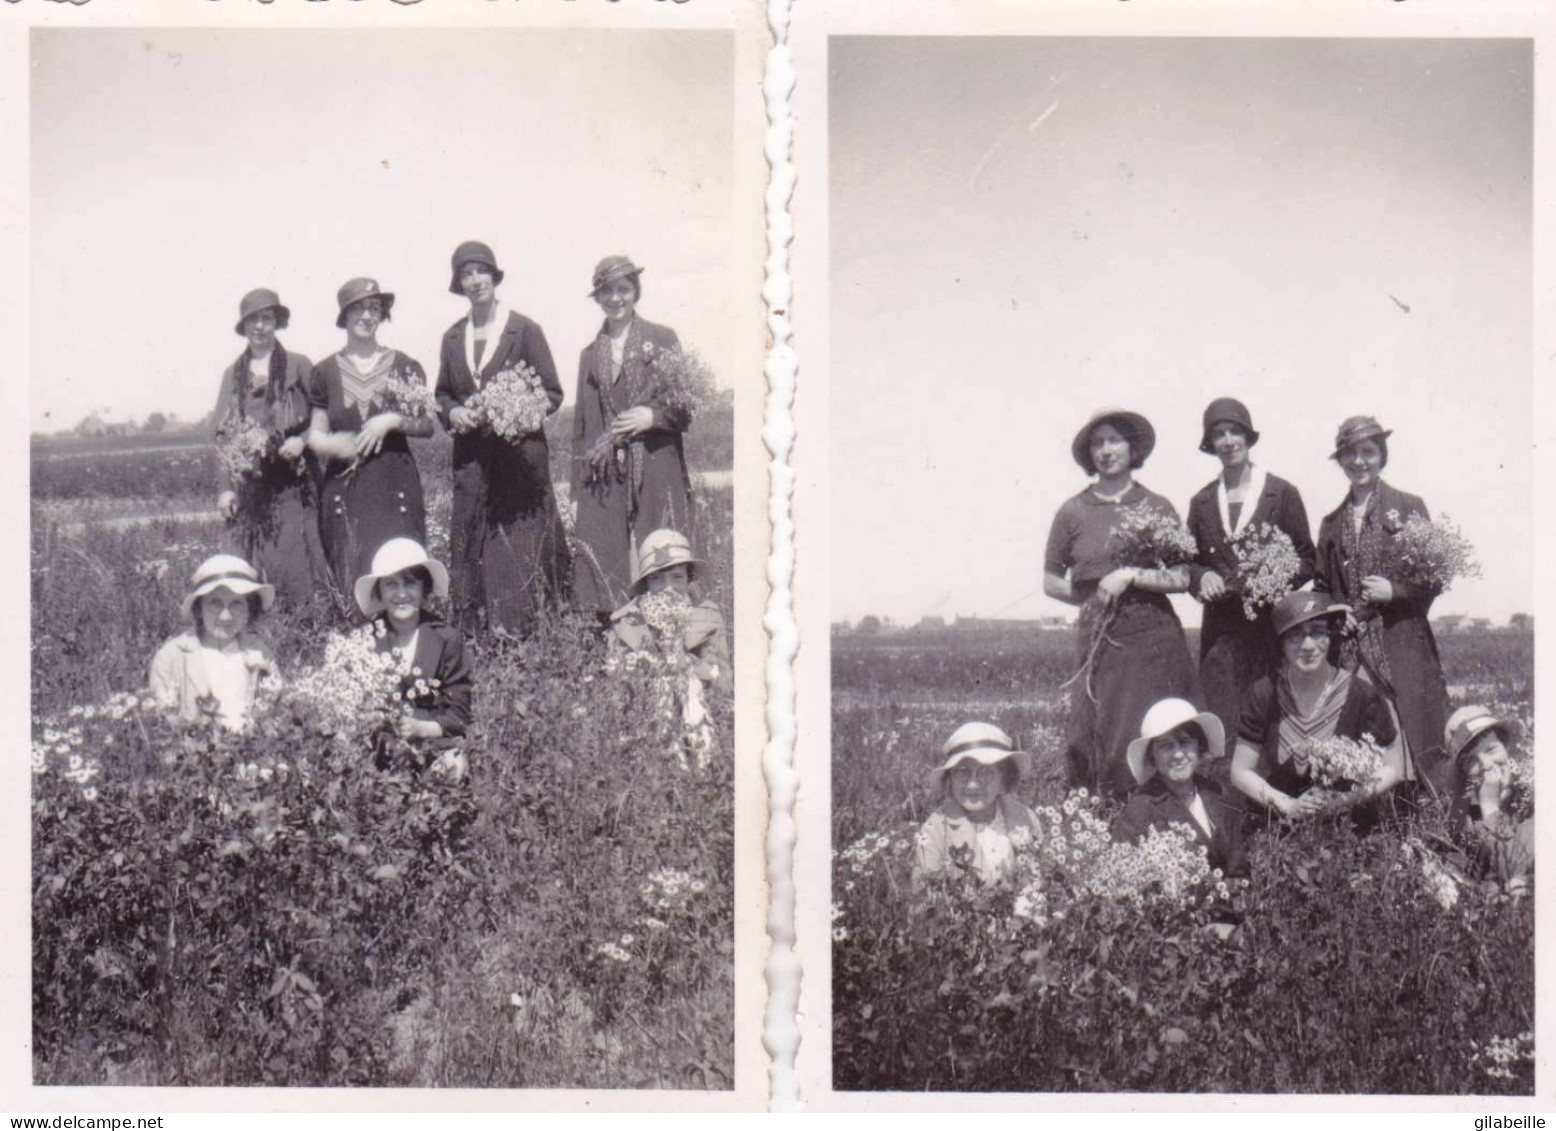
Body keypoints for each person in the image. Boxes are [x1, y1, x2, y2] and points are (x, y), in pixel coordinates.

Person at [1043, 408, 1200, 799]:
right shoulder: (1073, 511)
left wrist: (1131, 576)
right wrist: (1095, 597)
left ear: (1133, 449)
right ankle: (1109, 814)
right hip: (1100, 635)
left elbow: (1182, 577)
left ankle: (1163, 810)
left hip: (1152, 637)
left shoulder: (1156, 506)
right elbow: (1050, 582)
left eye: (1115, 440)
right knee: (1097, 728)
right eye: (1097, 443)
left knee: (1157, 725)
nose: (1106, 450)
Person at [435, 240, 570, 634]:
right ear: (459, 284)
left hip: (518, 462)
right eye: (466, 274)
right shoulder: (452, 337)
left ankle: (525, 633)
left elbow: (551, 392)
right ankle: (474, 637)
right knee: (472, 540)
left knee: (518, 546)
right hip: (473, 462)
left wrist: (516, 413)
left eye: (481, 271)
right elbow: (443, 393)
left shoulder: (524, 329)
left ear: (495, 277)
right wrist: (453, 411)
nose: (475, 280)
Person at [1313, 415, 1449, 787]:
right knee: (1362, 743)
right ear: (1340, 461)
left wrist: (1395, 591)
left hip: (1400, 643)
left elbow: (1434, 578)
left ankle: (1427, 824)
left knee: (1418, 740)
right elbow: (1322, 586)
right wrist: (1336, 611)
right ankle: (1375, 830)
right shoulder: (1331, 522)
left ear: (1381, 455)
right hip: (1352, 652)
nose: (1360, 461)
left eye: (1368, 452)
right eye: (1351, 454)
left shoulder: (1408, 506)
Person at [1184, 398, 1315, 750]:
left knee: (1272, 719)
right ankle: (1226, 803)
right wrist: (1201, 579)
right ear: (1210, 444)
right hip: (1220, 636)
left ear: (1248, 437)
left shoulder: (1281, 492)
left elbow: (1307, 558)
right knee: (1223, 721)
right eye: (1219, 434)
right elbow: (1190, 562)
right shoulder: (1201, 502)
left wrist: (1270, 580)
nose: (1228, 441)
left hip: (1269, 629)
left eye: (1235, 432)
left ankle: (1272, 804)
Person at [570, 256, 695, 618]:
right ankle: (612, 638)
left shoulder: (662, 338)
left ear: (635, 292)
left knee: (660, 550)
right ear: (598, 298)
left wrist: (651, 417)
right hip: (604, 469)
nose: (616, 298)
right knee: (603, 554)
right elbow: (580, 428)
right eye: (607, 291)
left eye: (623, 289)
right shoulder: (589, 355)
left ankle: (669, 633)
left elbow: (685, 409)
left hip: (656, 463)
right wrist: (577, 491)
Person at [307, 278, 433, 614]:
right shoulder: (324, 372)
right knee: (352, 568)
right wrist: (336, 445)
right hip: (345, 486)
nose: (367, 316)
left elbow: (426, 424)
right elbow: (314, 435)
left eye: (374, 309)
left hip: (393, 484)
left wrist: (390, 421)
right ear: (344, 317)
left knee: (400, 566)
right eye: (358, 309)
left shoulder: (405, 365)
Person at [1230, 591, 1404, 820]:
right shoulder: (1264, 693)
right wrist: (1286, 804)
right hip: (1279, 827)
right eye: (1295, 635)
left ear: (1331, 637)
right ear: (1280, 643)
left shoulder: (1361, 694)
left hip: (1348, 829)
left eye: (1317, 632)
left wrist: (1345, 800)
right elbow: (1240, 771)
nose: (1308, 645)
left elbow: (1393, 768)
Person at [211, 288, 330, 606]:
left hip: (293, 485)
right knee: (244, 569)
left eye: (266, 319)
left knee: (295, 566)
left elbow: (324, 414)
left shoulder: (299, 365)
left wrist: (302, 441)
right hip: (250, 488)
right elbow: (223, 437)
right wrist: (225, 488)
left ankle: (304, 628)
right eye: (253, 320)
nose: (260, 327)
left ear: (276, 323)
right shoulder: (233, 376)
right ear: (244, 326)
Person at [353, 538, 472, 776]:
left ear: (424, 588)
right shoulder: (365, 639)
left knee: (455, 766)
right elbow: (350, 704)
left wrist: (420, 728)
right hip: (376, 748)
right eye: (391, 584)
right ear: (379, 591)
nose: (401, 594)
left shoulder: (446, 639)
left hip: (432, 745)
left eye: (410, 583)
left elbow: (459, 715)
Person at [1113, 698, 1248, 878]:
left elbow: (1239, 869)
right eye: (1165, 746)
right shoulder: (1140, 809)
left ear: (1198, 746)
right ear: (1152, 755)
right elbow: (1123, 876)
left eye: (1185, 742)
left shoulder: (1217, 793)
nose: (1178, 754)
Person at [149, 554, 280, 731]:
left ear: (249, 609)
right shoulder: (171, 657)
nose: (225, 616)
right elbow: (161, 723)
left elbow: (276, 711)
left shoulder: (260, 653)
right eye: (215, 603)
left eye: (236, 604)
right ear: (199, 608)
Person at [913, 722, 1038, 887]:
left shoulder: (1025, 818)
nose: (972, 785)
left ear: (1003, 778)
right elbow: (922, 900)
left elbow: (1039, 881)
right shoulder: (935, 830)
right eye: (962, 772)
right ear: (949, 779)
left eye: (986, 773)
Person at [608, 528, 731, 695]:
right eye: (657, 579)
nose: (668, 588)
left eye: (677, 577)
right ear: (646, 584)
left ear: (689, 578)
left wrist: (689, 662)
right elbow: (615, 691)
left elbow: (724, 687)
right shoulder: (625, 623)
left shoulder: (708, 617)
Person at [1443, 706, 1533, 891]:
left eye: (1491, 750)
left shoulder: (1530, 795)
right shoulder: (1468, 812)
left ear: (1506, 746)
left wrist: (1491, 807)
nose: (1486, 765)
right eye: (1471, 761)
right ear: (1464, 773)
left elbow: (1513, 866)